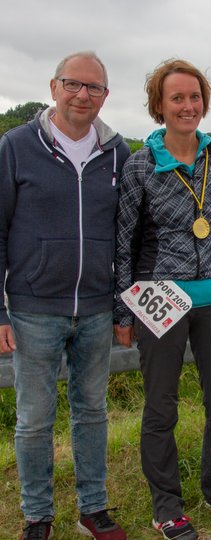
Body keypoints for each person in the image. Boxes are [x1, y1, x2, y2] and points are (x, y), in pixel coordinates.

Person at [113, 58, 211, 540]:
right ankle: (167, 505)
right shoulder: (140, 164)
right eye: (177, 97)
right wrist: (123, 309)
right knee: (161, 407)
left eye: (194, 97)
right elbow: (125, 243)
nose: (187, 106)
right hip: (159, 298)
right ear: (159, 104)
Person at [0, 52, 130, 540]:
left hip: (96, 308)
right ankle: (37, 515)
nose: (83, 95)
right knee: (34, 420)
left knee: (92, 411)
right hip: (33, 309)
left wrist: (121, 306)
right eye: (74, 84)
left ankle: (92, 507)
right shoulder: (15, 147)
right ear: (53, 87)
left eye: (94, 88)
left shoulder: (117, 153)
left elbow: (128, 237)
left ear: (105, 96)